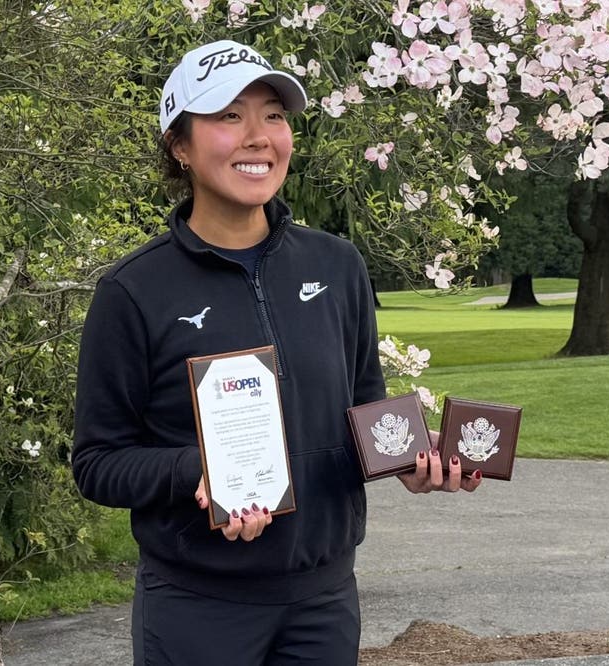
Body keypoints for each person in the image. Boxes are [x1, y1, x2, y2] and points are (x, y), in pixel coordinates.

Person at [72, 39, 483, 666]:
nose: (259, 136)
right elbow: (98, 462)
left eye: (274, 114)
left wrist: (410, 462)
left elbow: (365, 402)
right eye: (229, 116)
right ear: (179, 145)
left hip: (323, 601)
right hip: (197, 607)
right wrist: (197, 476)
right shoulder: (133, 292)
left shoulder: (336, 265)